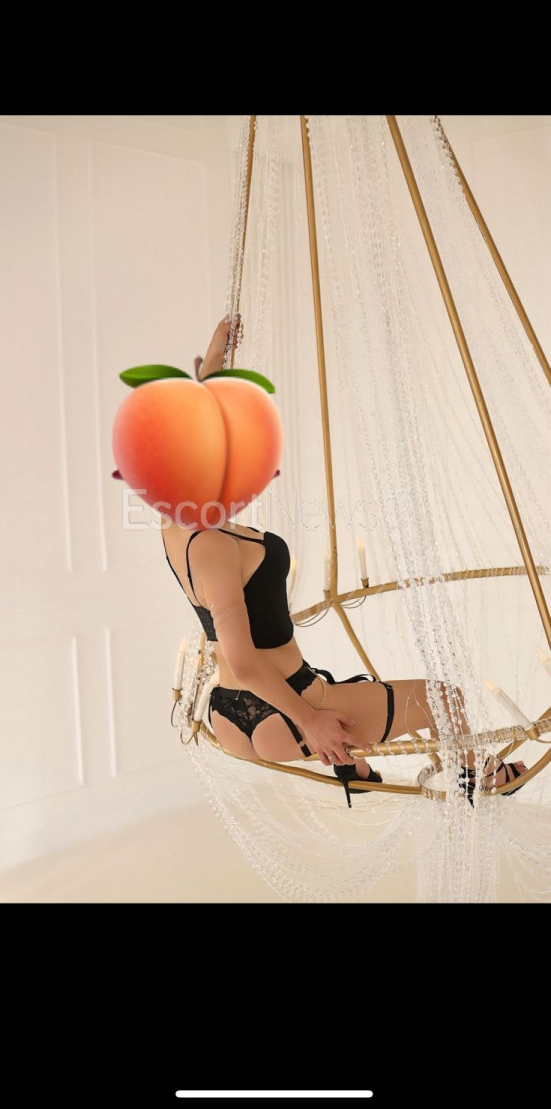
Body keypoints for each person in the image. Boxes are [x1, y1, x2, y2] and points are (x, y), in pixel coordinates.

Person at [162, 315, 527, 805]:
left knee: (354, 695)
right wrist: (310, 721)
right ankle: (478, 777)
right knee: (446, 699)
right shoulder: (213, 543)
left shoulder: (175, 521)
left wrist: (216, 350)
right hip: (285, 709)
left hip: (230, 714)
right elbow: (245, 662)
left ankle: (355, 767)